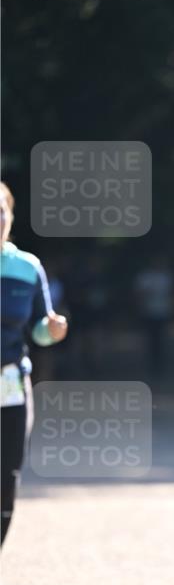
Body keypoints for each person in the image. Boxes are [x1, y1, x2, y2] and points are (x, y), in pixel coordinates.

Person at [1, 182, 68, 563]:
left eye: (0, 210)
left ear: (10, 217)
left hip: (10, 384)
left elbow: (40, 330)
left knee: (5, 481)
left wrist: (53, 330)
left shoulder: (27, 267)